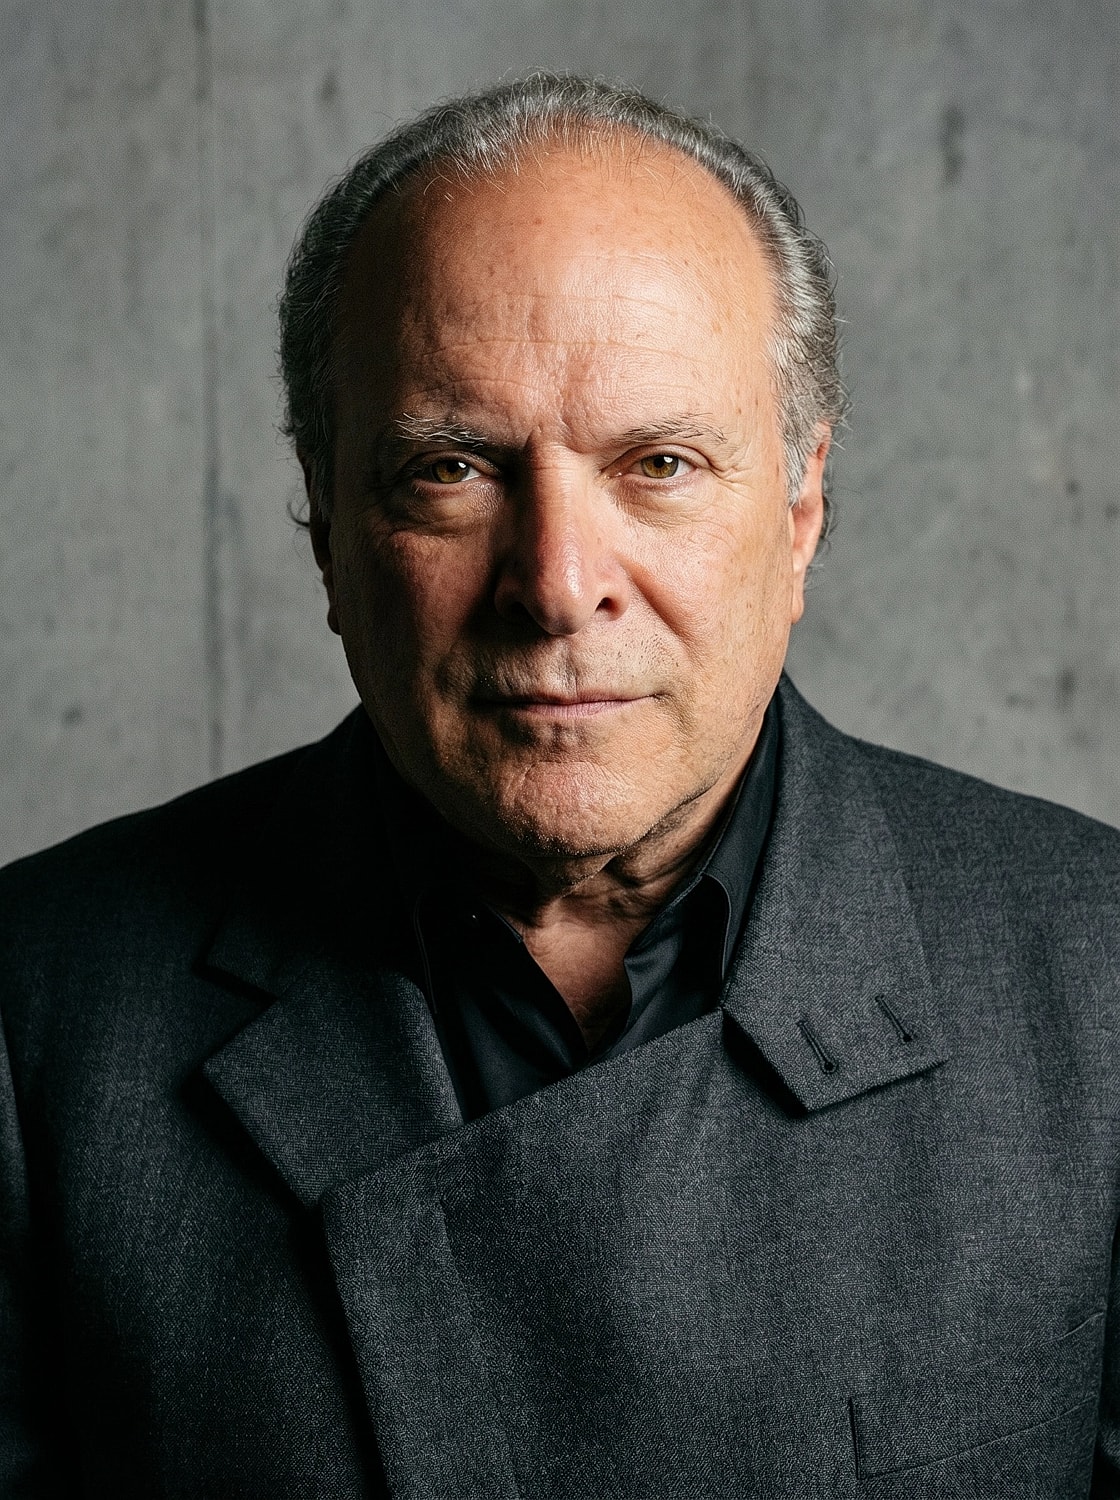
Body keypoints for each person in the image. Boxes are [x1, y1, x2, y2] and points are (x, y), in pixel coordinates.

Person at [1, 73, 1117, 1499]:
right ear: (326, 522)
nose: (557, 585)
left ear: (801, 508)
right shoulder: (36, 1020)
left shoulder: (1098, 976)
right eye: (451, 470)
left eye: (659, 463)